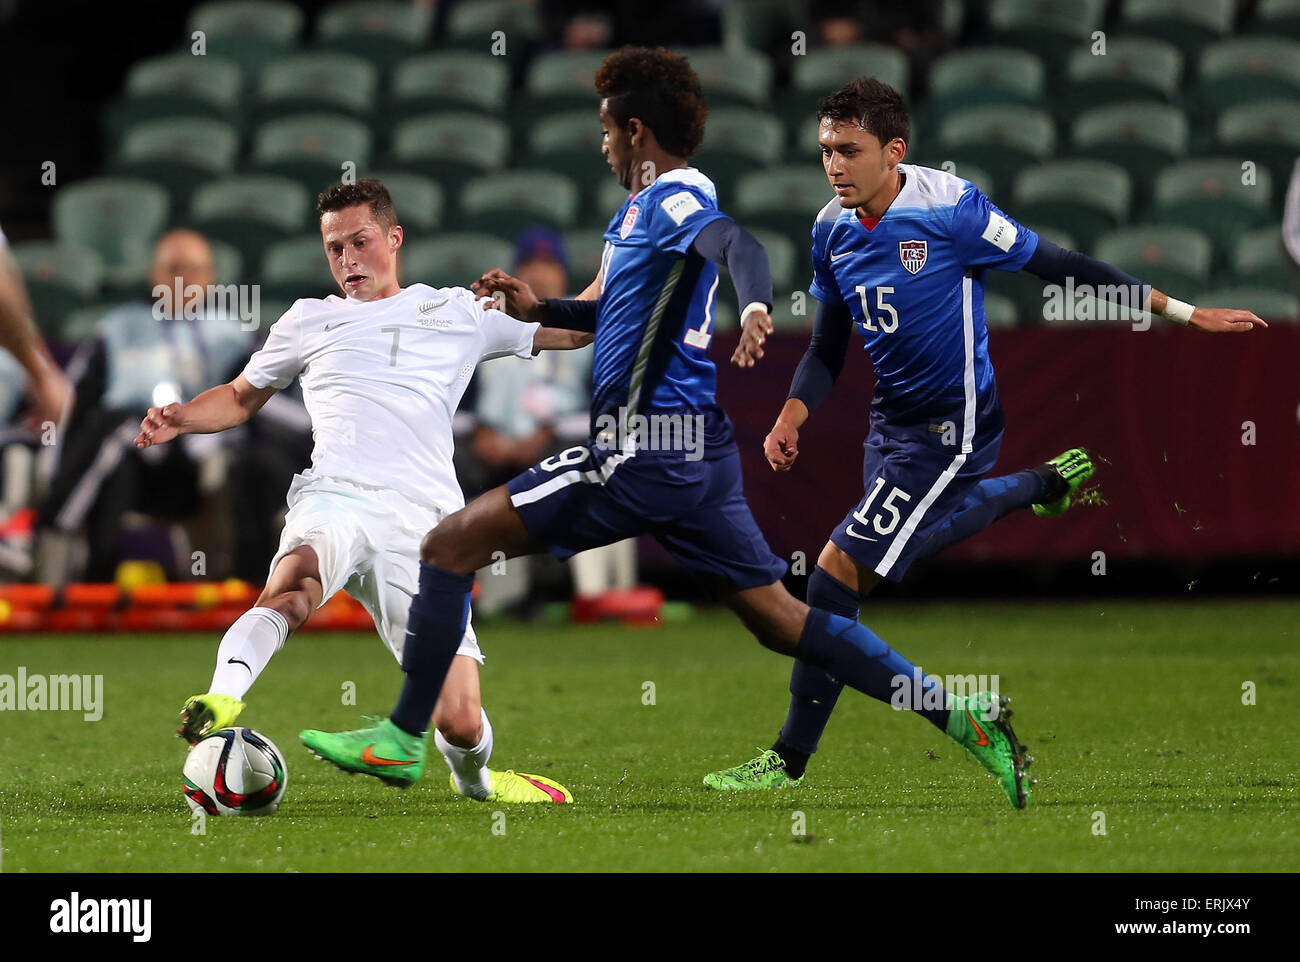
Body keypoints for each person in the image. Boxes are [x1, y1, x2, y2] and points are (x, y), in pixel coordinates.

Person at [301, 46, 1035, 810]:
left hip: (643, 447)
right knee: (783, 621)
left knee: (448, 544)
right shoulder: (637, 215)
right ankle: (961, 716)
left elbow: (735, 243)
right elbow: (605, 315)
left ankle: (405, 734)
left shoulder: (673, 195)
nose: (603, 143)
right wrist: (537, 309)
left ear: (636, 130)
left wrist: (754, 304)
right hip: (697, 454)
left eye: (607, 129)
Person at [704, 77, 1268, 791]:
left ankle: (897, 733)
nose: (835, 166)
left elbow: (1060, 266)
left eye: (850, 150)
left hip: (953, 431)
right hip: (892, 425)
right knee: (864, 582)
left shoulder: (951, 210)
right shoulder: (830, 229)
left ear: (894, 150)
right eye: (826, 151)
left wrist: (1184, 312)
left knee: (830, 575)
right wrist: (793, 412)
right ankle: (1041, 483)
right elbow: (827, 346)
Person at [137, 179, 589, 804]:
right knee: (293, 583)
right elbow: (240, 398)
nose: (348, 260)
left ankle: (479, 781)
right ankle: (222, 695)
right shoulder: (308, 320)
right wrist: (183, 415)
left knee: (458, 719)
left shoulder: (457, 311)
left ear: (394, 239)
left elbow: (575, 330)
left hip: (428, 531)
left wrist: (624, 254)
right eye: (334, 248)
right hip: (337, 499)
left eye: (360, 242)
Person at [12, 230, 251, 581]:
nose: (183, 279)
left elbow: (250, 405)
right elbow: (74, 405)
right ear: (154, 274)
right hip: (122, 457)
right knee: (117, 449)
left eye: (194, 270)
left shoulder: (233, 335)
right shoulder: (118, 327)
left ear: (211, 278)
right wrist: (51, 466)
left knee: (121, 427)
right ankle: (99, 583)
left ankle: (47, 524)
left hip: (188, 460)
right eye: (173, 268)